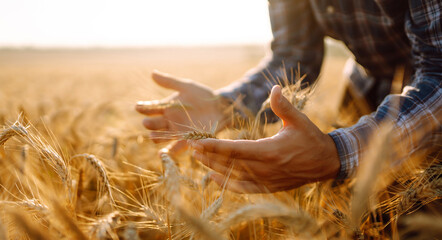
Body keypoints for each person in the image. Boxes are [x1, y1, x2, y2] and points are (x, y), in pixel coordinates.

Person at [136, 0, 441, 193]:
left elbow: (439, 70)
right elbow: (295, 55)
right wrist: (227, 106)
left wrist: (337, 153)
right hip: (365, 87)